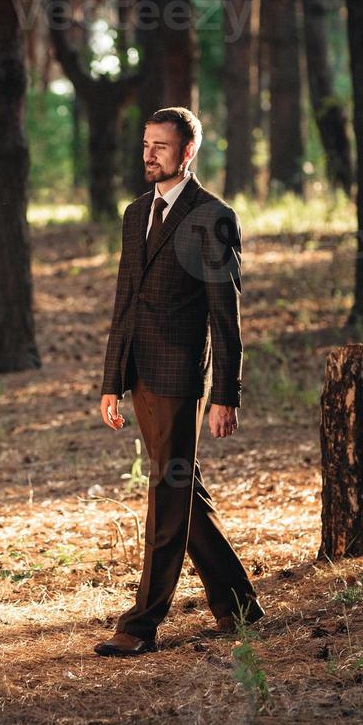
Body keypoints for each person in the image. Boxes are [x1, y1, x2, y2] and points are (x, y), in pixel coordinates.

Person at [95, 106, 264, 656]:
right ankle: (238, 604)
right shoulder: (134, 212)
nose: (149, 154)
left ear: (187, 152)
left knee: (167, 493)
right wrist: (111, 381)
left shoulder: (212, 216)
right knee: (181, 488)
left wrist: (225, 394)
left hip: (179, 376)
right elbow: (124, 302)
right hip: (139, 374)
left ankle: (142, 622)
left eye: (161, 146)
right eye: (145, 144)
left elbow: (225, 313)